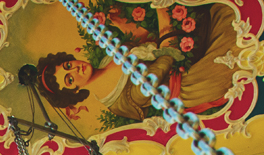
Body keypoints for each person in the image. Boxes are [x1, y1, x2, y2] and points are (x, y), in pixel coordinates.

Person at [33, 3, 237, 122]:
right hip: (194, 84)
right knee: (232, 24)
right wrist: (161, 11)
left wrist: (122, 23)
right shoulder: (120, 101)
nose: (75, 69)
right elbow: (167, 56)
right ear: (75, 91)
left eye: (68, 65)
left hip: (190, 61)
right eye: (70, 79)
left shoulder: (106, 60)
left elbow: (148, 43)